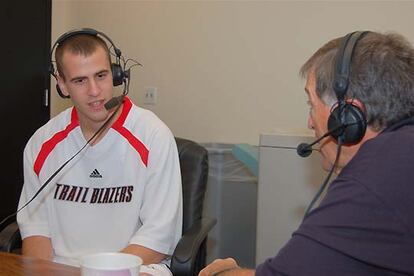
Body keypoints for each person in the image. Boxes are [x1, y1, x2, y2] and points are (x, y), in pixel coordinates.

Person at [199, 31, 414, 275]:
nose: (310, 122)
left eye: (311, 104)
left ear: (348, 118)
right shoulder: (400, 156)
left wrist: (223, 272)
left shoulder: (372, 180)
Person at [17, 29, 182, 276]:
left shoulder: (153, 136)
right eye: (80, 80)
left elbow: (159, 237)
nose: (94, 91)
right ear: (62, 84)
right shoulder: (42, 143)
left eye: (101, 76)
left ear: (117, 76)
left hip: (137, 266)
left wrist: (101, 272)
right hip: (62, 268)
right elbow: (36, 232)